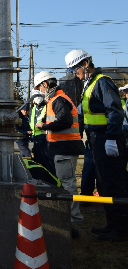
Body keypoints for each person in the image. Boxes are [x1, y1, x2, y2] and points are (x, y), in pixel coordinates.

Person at [65, 49, 128, 240]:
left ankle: (122, 229)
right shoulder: (89, 84)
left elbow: (115, 111)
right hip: (96, 140)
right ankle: (112, 224)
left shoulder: (102, 81)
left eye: (75, 70)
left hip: (108, 139)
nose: (75, 75)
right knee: (103, 183)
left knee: (114, 183)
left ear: (85, 65)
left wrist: (111, 137)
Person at [34, 70, 85, 229]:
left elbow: (65, 121)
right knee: (66, 182)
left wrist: (45, 126)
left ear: (45, 84)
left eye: (40, 88)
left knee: (68, 183)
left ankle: (73, 218)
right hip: (63, 147)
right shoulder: (56, 99)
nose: (40, 91)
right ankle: (70, 215)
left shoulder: (58, 100)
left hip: (65, 147)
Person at [29, 89, 56, 175]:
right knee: (38, 162)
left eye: (39, 95)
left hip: (45, 138)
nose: (37, 98)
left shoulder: (47, 106)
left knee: (48, 162)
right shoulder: (33, 108)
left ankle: (52, 180)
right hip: (36, 138)